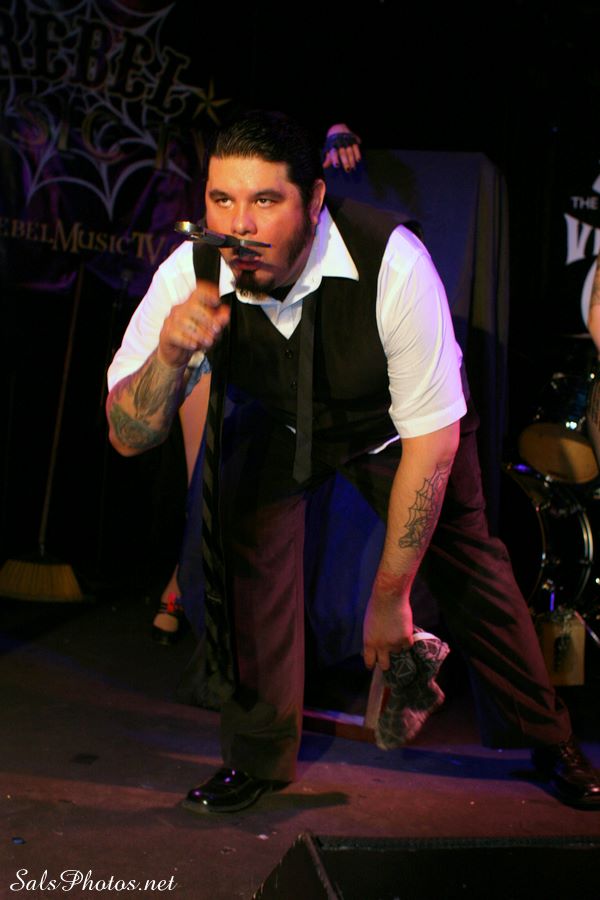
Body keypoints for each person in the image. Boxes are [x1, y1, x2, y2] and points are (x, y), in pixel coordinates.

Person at [106, 109, 600, 813]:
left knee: (471, 565)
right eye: (222, 199)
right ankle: (257, 756)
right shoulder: (191, 270)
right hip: (279, 419)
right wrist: (169, 355)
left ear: (313, 200)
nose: (239, 226)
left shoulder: (395, 264)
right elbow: (127, 436)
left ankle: (551, 740)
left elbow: (431, 446)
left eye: (265, 200)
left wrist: (390, 599)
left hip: (396, 430)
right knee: (245, 554)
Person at [150, 122, 362, 645]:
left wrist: (335, 133)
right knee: (204, 458)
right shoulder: (200, 250)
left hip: (289, 290)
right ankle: (188, 572)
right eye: (220, 200)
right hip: (223, 299)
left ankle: (202, 583)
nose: (239, 217)